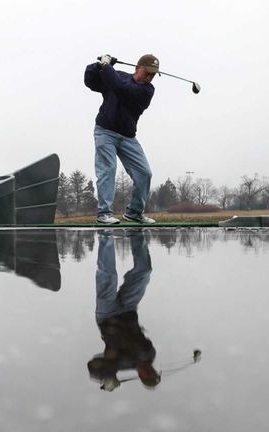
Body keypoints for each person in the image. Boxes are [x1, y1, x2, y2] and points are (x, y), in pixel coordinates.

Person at [85, 54, 159, 225]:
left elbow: (121, 89)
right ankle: (104, 214)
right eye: (147, 72)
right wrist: (99, 66)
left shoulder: (147, 91)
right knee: (107, 170)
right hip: (105, 132)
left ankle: (134, 213)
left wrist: (107, 68)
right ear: (137, 67)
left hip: (128, 137)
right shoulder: (117, 76)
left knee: (144, 173)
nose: (149, 77)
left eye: (152, 75)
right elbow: (89, 80)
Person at [87, 230, 160, 391]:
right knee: (144, 272)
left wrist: (107, 377)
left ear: (141, 376)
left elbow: (92, 365)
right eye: (153, 372)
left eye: (147, 374)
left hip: (107, 315)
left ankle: (105, 235)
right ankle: (136, 232)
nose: (149, 370)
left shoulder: (122, 364)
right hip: (128, 308)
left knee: (108, 275)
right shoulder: (150, 354)